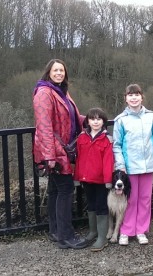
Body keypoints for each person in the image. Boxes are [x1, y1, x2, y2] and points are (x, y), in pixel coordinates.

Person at [32, 58, 87, 249]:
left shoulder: (61, 92)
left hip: (60, 149)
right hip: (55, 151)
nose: (59, 73)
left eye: (61, 71)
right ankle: (66, 236)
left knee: (56, 190)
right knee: (66, 190)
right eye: (55, 70)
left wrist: (92, 119)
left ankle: (56, 231)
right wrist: (49, 157)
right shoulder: (44, 93)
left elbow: (70, 117)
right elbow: (44, 126)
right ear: (48, 72)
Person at [113, 83, 153, 246]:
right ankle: (126, 231)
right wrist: (120, 164)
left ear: (142, 97)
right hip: (129, 167)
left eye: (137, 94)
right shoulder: (121, 120)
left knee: (145, 199)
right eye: (130, 95)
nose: (134, 97)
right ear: (125, 98)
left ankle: (141, 230)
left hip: (148, 166)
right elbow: (117, 144)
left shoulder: (152, 117)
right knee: (130, 199)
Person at [74, 107, 114, 251]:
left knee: (101, 206)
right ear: (87, 121)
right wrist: (77, 177)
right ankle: (93, 232)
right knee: (90, 205)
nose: (95, 122)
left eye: (99, 119)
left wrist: (108, 180)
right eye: (92, 119)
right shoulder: (81, 138)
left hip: (101, 181)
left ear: (103, 121)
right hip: (86, 178)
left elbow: (108, 162)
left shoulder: (107, 139)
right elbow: (79, 160)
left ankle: (102, 238)